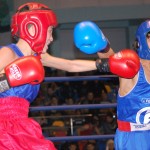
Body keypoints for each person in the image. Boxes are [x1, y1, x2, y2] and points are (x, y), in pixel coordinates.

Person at [0, 2, 107, 150]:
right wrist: (8, 80)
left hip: (20, 127)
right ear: (33, 29)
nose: (51, 38)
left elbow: (70, 65)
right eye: (50, 30)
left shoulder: (38, 58)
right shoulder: (8, 53)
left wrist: (101, 64)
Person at [74, 20, 150, 150]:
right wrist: (103, 46)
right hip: (133, 137)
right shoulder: (133, 67)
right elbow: (113, 60)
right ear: (142, 40)